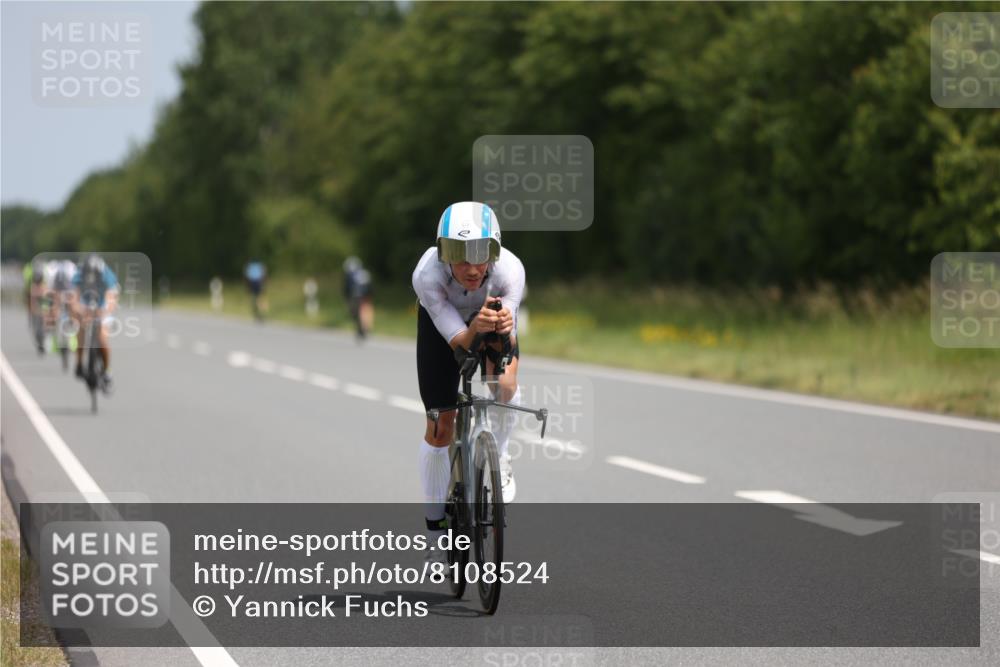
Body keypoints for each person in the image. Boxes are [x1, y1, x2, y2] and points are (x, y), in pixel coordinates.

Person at [412, 202, 525, 563]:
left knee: (504, 387)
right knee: (441, 425)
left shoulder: (510, 270)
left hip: (488, 317)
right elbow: (459, 343)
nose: (473, 267)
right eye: (459, 255)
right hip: (441, 327)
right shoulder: (427, 276)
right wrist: (473, 329)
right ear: (442, 252)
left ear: (496, 249)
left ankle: (501, 454)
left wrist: (502, 327)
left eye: (481, 253)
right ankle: (434, 532)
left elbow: (505, 343)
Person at [72, 253, 119, 390]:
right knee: (80, 328)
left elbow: (111, 299)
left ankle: (107, 370)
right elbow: (73, 298)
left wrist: (103, 312)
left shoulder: (107, 275)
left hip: (102, 304)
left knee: (103, 339)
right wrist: (79, 310)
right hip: (86, 303)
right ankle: (79, 363)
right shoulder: (78, 274)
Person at [342, 256, 374, 339]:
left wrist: (346, 297)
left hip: (354, 296)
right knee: (366, 309)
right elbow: (370, 286)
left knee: (355, 312)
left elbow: (346, 288)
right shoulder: (365, 273)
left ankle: (361, 328)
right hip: (366, 295)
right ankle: (366, 327)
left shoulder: (350, 275)